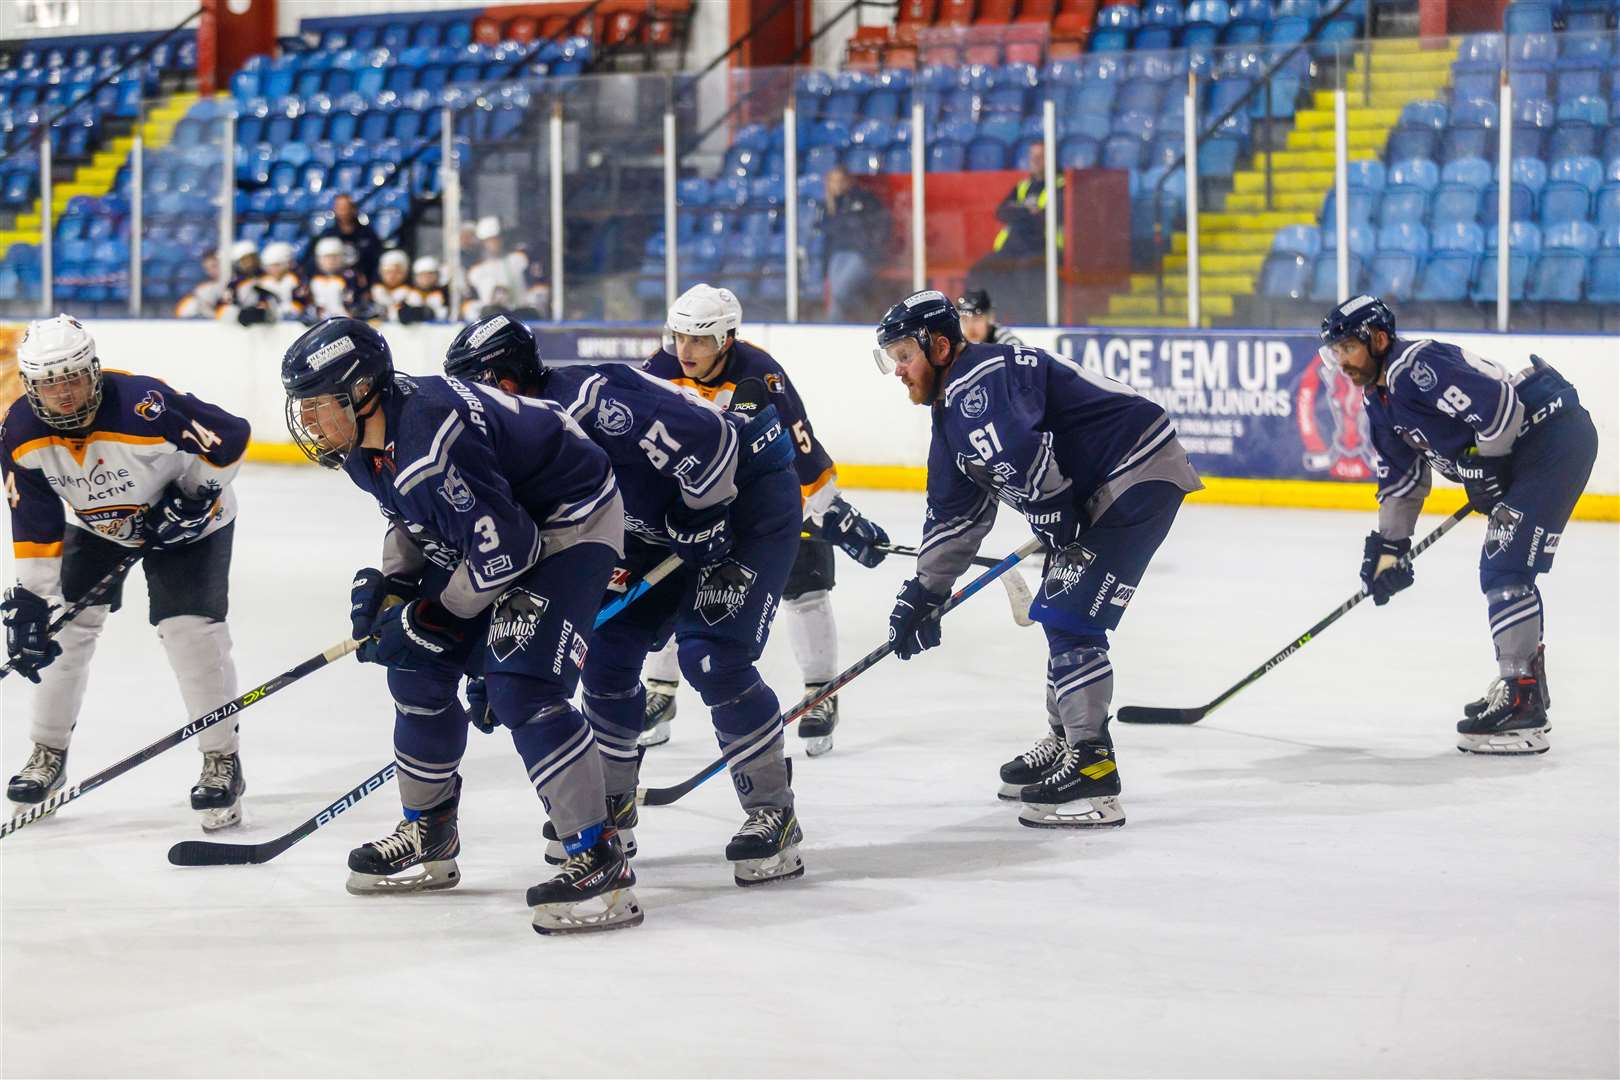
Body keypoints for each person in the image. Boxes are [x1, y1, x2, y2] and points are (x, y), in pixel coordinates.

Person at [280, 317, 641, 934]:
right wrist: (394, 588)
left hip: (567, 523)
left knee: (523, 686)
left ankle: (597, 854)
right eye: (304, 409)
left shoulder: (428, 440)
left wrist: (435, 614)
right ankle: (429, 833)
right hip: (506, 519)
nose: (310, 423)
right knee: (414, 667)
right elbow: (412, 518)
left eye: (320, 406)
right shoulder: (368, 439)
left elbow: (510, 552)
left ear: (362, 390)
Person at [444, 312, 810, 886]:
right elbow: (531, 554)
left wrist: (702, 512)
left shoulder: (595, 401)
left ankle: (773, 814)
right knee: (609, 653)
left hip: (744, 503)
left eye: (472, 391)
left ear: (505, 383)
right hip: (651, 528)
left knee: (712, 655)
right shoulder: (513, 443)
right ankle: (613, 806)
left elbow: (713, 441)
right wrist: (494, 659)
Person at [875, 291, 1201, 829]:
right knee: (1057, 608)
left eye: (903, 355)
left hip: (1135, 474)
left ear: (937, 346)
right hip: (1098, 489)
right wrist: (924, 592)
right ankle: (1067, 740)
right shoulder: (950, 412)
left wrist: (1051, 507)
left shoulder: (979, 380)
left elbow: (1021, 450)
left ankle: (1093, 765)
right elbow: (956, 517)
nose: (897, 370)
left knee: (1070, 617)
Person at [1, 315, 251, 829]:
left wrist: (193, 496)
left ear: (93, 369)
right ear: (30, 386)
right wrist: (33, 598)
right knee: (60, 631)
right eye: (50, 385)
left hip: (187, 525)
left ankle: (221, 758)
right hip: (102, 527)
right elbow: (35, 519)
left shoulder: (143, 403)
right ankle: (47, 752)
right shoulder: (20, 430)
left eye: (72, 378)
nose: (65, 395)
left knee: (189, 634)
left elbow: (229, 436)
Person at [1319, 295, 1598, 755]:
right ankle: (1526, 688)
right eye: (1335, 351)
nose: (1341, 361)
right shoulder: (1380, 398)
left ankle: (1522, 698)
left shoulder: (1415, 367)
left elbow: (1501, 406)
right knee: (1506, 567)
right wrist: (1390, 548)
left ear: (1379, 339)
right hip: (1536, 449)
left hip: (1552, 437)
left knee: (1504, 566)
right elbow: (1402, 481)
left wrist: (1488, 466)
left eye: (1348, 347)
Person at [639, 284, 890, 757]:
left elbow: (801, 447)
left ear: (726, 339)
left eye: (698, 340)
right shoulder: (660, 370)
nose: (685, 350)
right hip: (695, 502)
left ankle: (820, 692)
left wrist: (825, 507)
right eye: (679, 337)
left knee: (806, 579)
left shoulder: (761, 374)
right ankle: (660, 690)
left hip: (766, 496)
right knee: (664, 586)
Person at [967, 142, 1062, 326]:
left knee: (1024, 273)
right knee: (980, 269)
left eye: (1040, 156)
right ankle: (987, 321)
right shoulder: (1023, 186)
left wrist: (1019, 211)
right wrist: (1028, 212)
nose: (1035, 160)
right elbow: (1001, 212)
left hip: (1043, 249)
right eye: (1032, 156)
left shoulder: (1061, 185)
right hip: (1012, 249)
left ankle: (1031, 323)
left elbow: (1048, 216)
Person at [820, 165, 889, 324]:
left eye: (840, 181)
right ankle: (836, 325)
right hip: (838, 255)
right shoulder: (828, 207)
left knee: (841, 292)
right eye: (833, 182)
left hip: (862, 255)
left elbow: (879, 227)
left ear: (848, 181)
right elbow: (828, 239)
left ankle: (868, 318)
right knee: (837, 295)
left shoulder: (865, 200)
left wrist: (872, 250)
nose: (837, 185)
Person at [463, 217, 533, 320]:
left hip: (519, 313)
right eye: (489, 240)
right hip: (491, 318)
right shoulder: (476, 271)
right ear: (483, 243)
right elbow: (471, 300)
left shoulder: (518, 259)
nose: (494, 243)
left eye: (496, 239)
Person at [313, 194, 382, 286]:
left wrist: (371, 282)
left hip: (364, 283)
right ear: (335, 210)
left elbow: (376, 261)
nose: (343, 212)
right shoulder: (327, 235)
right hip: (335, 283)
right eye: (340, 208)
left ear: (354, 209)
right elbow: (316, 262)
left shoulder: (367, 234)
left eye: (346, 208)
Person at [307, 237, 366, 320]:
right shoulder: (314, 279)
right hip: (319, 322)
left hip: (345, 322)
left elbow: (355, 303)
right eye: (327, 257)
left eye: (334, 257)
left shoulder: (350, 277)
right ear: (319, 259)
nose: (331, 261)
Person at [956, 289, 1023, 347]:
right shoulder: (955, 343)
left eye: (976, 319)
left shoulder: (1009, 344)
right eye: (964, 319)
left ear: (990, 318)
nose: (970, 327)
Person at [174, 251, 223, 319]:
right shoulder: (204, 289)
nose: (211, 271)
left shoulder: (238, 284)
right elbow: (181, 312)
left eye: (214, 266)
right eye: (207, 269)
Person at [410, 257, 450, 322]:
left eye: (430, 274)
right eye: (422, 275)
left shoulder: (445, 294)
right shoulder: (410, 293)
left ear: (437, 275)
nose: (426, 278)